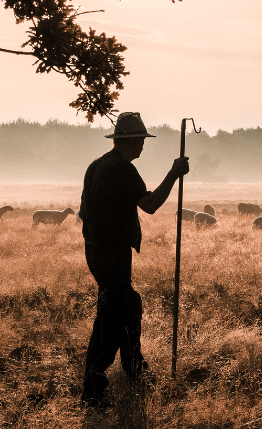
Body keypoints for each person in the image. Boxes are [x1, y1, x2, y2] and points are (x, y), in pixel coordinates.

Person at [78, 112, 189, 407]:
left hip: (97, 249)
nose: (143, 146)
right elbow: (150, 205)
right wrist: (174, 175)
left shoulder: (96, 166)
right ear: (130, 141)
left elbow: (83, 211)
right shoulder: (122, 169)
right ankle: (93, 384)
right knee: (113, 313)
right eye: (141, 140)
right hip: (112, 251)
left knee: (128, 304)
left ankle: (135, 370)